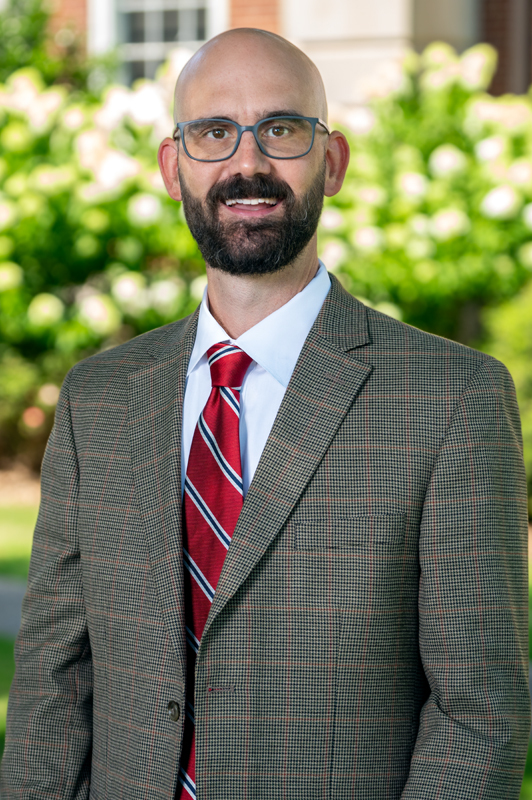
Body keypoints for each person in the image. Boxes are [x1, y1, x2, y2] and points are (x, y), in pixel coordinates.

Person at [1, 27, 530, 800]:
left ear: (333, 160)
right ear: (172, 166)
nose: (247, 163)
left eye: (281, 129)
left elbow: (479, 714)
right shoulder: (99, 401)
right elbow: (54, 680)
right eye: (214, 132)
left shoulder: (452, 398)